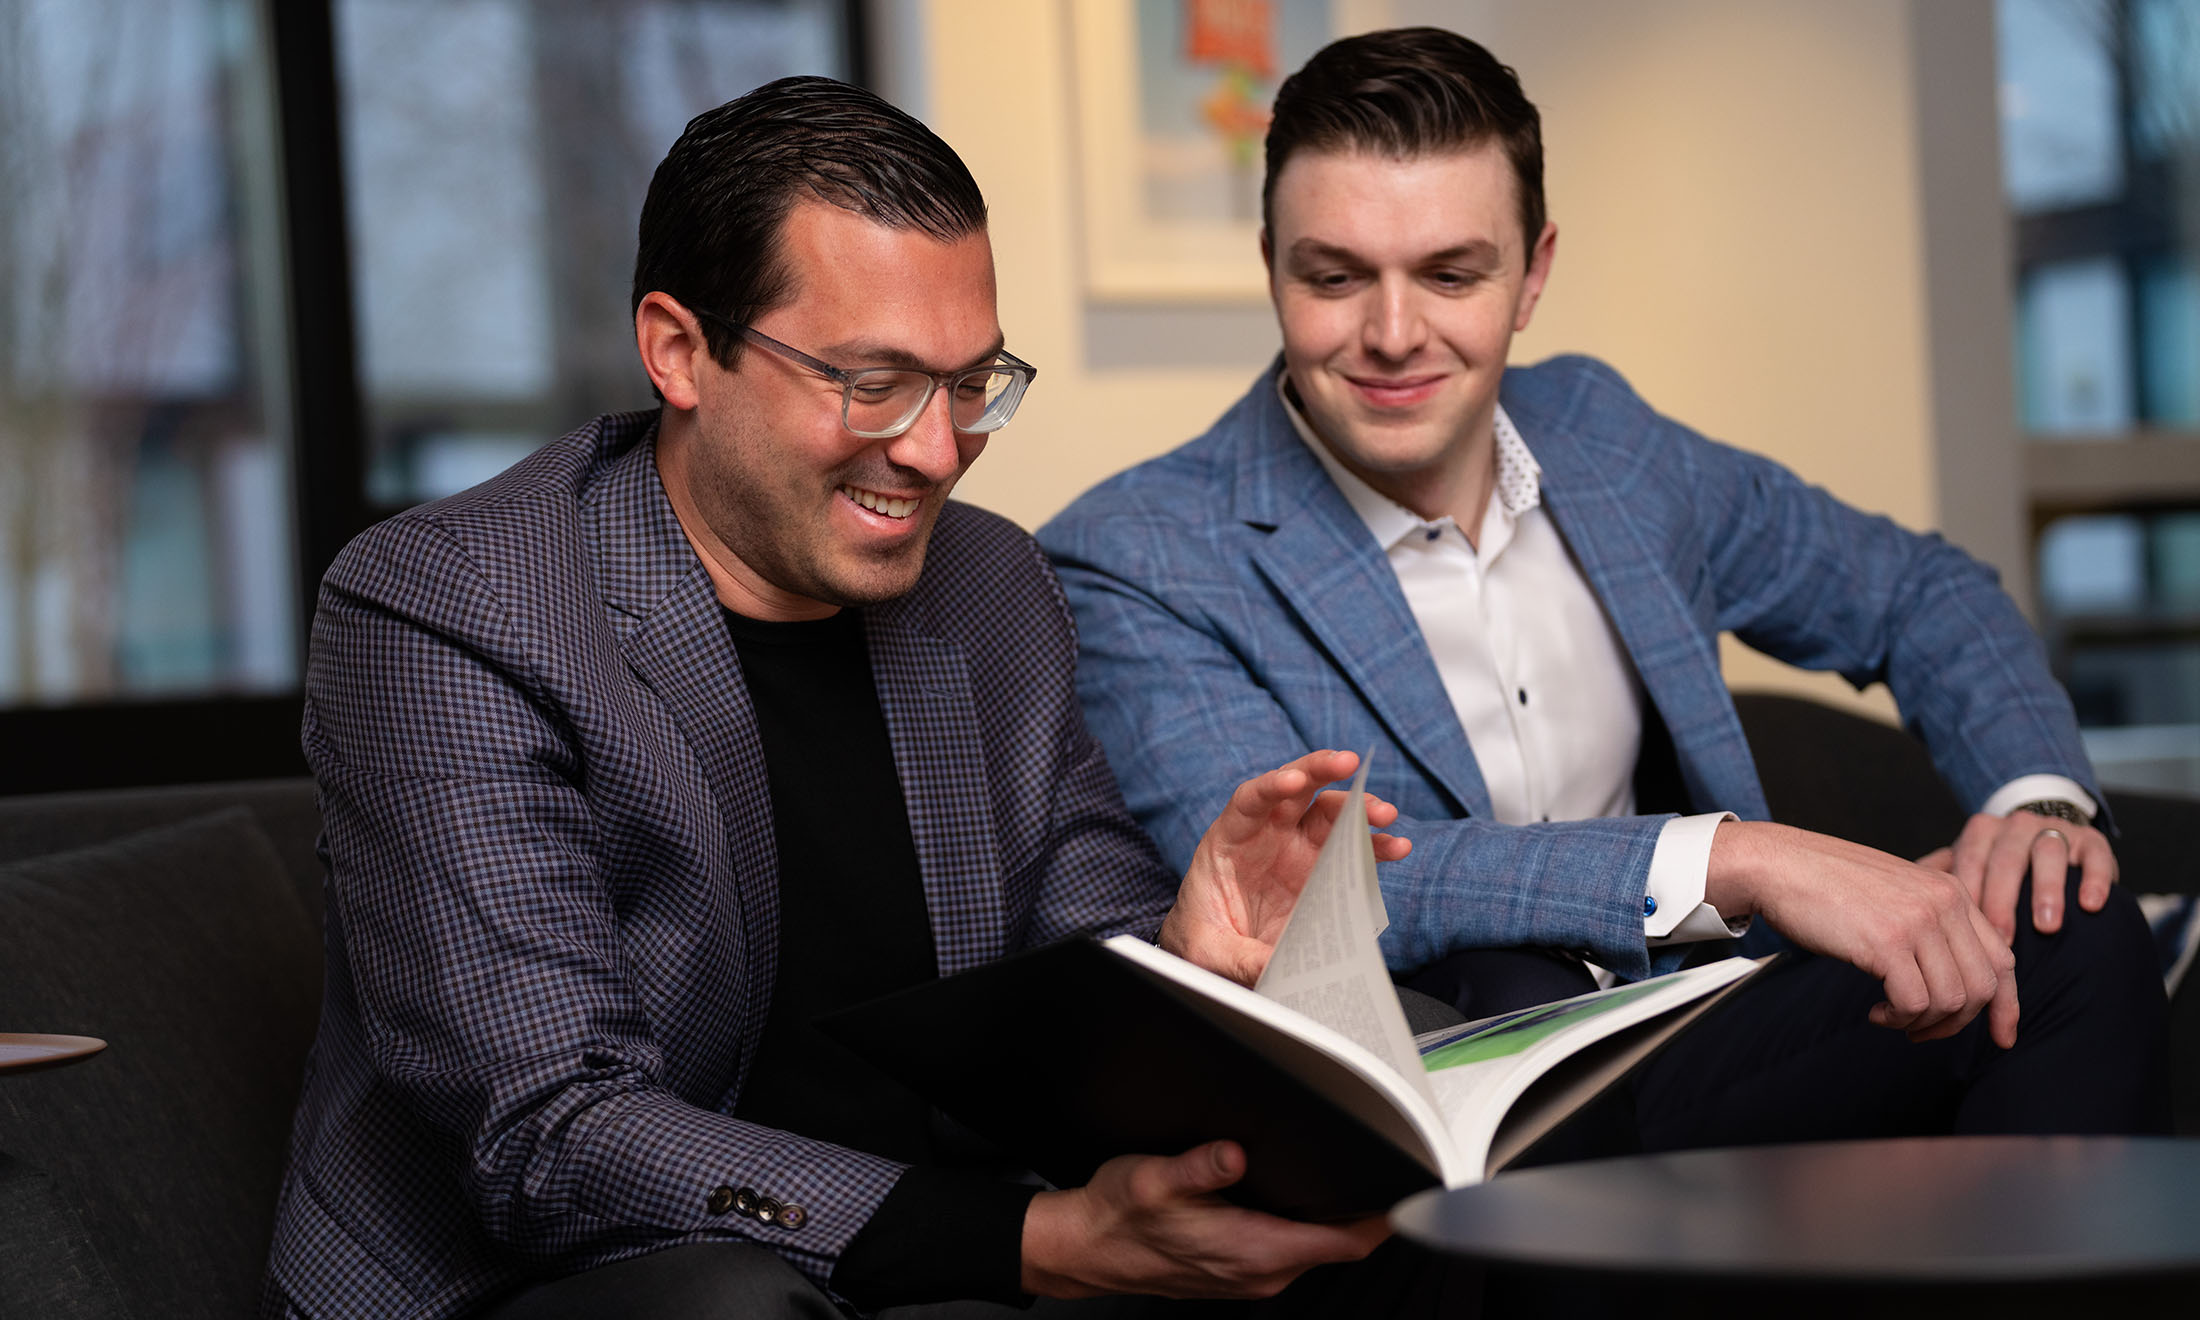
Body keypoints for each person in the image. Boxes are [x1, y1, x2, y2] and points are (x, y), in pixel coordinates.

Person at [262, 77, 1454, 1320]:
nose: (937, 451)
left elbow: (1071, 943)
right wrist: (1038, 1241)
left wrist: (1183, 969)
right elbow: (553, 1135)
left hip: (947, 1242)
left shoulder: (988, 584)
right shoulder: (451, 609)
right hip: (568, 1275)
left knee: (1374, 1159)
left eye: (970, 382)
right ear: (680, 350)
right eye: (872, 384)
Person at [1038, 28, 2169, 1150]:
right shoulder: (1136, 555)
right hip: (1464, 1095)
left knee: (2068, 925)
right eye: (1334, 277)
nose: (1391, 334)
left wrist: (2039, 806)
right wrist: (1742, 858)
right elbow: (1307, 899)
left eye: (1450, 273)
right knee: (1504, 975)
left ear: (1532, 274)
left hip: (1711, 1027)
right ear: (1271, 266)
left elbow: (1920, 592)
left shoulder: (1605, 438)